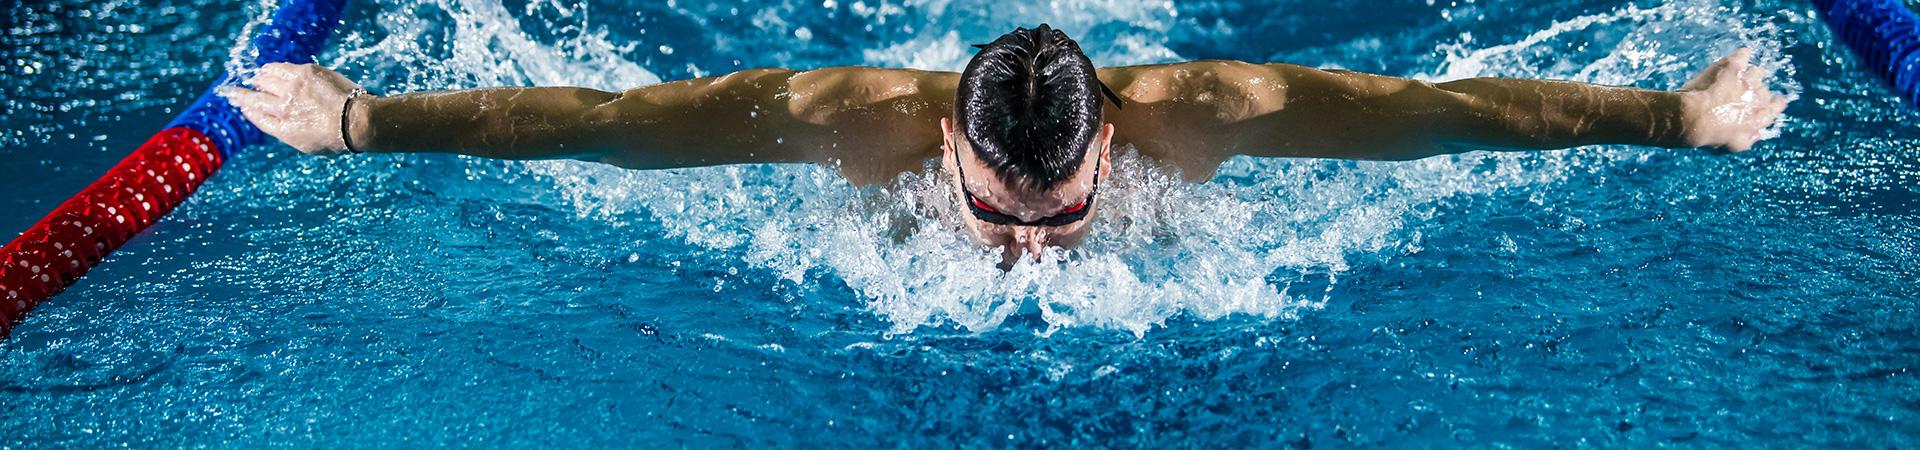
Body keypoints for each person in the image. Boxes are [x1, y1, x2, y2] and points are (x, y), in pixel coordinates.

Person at [226, 25, 1787, 263]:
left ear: (1115, 134)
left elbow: (1449, 115)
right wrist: (360, 119)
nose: (1025, 251)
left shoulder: (1215, 112)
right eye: (995, 209)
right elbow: (613, 126)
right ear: (946, 148)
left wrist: (1677, 117)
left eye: (1055, 215)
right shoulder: (851, 127)